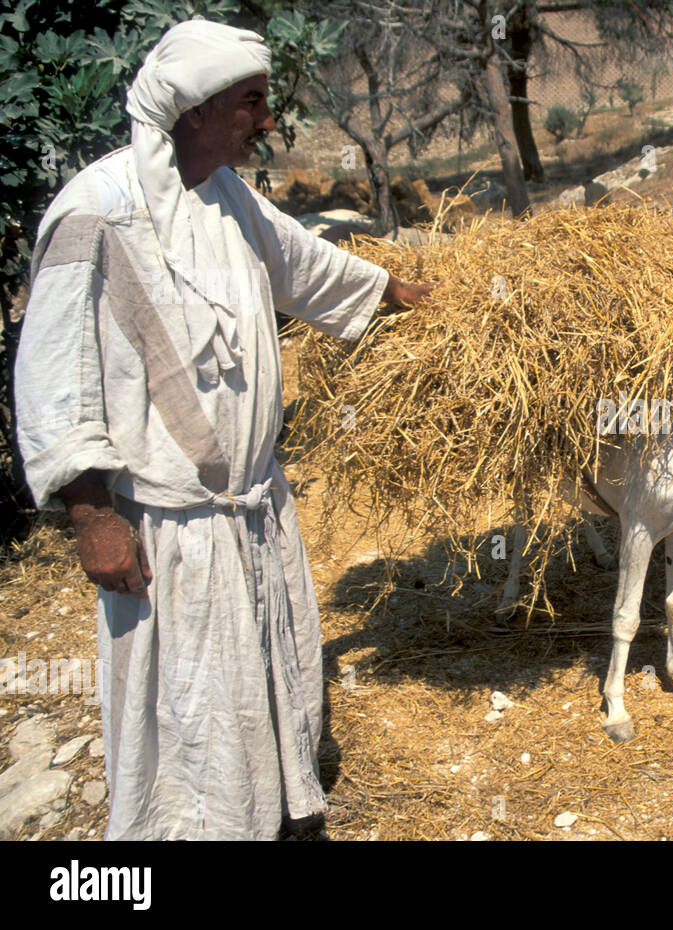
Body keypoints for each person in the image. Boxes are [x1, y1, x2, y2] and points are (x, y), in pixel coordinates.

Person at [14, 20, 432, 839]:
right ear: (193, 109)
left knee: (257, 682)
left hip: (248, 505)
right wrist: (93, 515)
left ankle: (266, 811)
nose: (266, 121)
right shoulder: (96, 212)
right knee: (188, 702)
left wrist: (400, 294)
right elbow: (52, 371)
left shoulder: (227, 195)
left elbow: (305, 265)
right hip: (165, 524)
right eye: (250, 103)